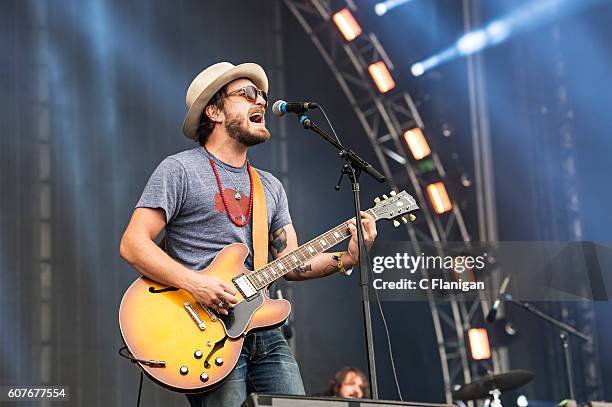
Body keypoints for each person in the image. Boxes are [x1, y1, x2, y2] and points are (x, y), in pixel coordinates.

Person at [119, 62, 378, 407]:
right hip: (205, 333)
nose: (260, 103)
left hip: (264, 330)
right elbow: (133, 244)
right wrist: (197, 284)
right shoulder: (179, 170)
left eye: (262, 96)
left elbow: (291, 264)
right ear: (214, 111)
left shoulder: (269, 187)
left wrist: (349, 257)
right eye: (247, 94)